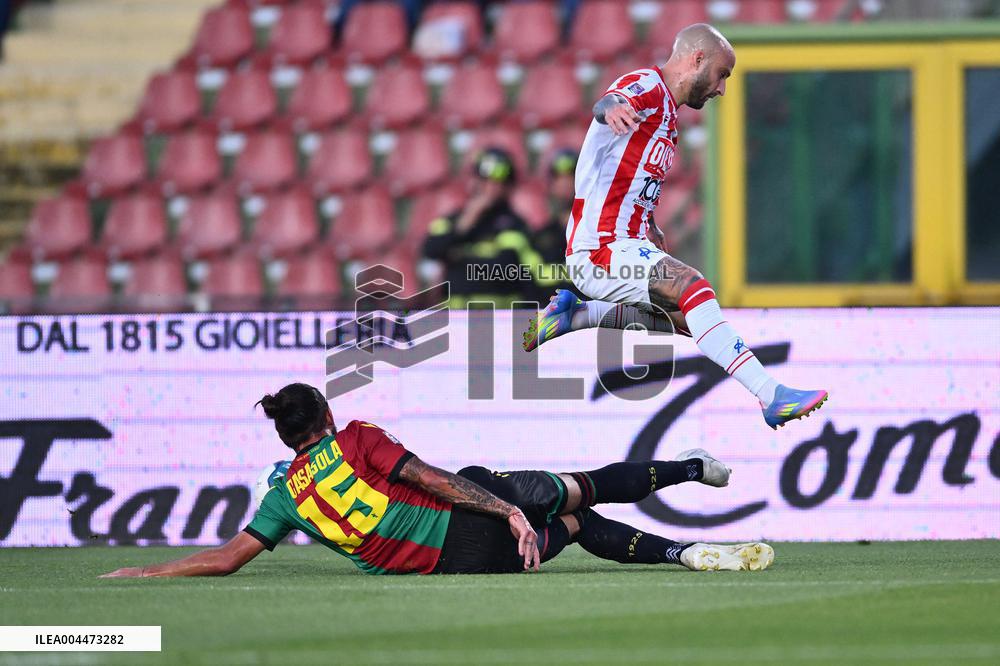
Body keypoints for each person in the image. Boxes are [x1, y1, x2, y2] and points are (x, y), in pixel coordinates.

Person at [100, 383, 774, 578]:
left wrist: (148, 574)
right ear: (327, 418)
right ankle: (688, 470)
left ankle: (684, 550)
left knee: (576, 519)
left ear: (283, 438)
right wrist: (503, 509)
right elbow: (431, 478)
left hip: (455, 560)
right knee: (576, 492)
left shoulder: (283, 497)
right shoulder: (357, 436)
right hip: (469, 507)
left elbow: (224, 560)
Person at [522, 23, 828, 430]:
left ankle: (575, 315)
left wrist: (649, 222)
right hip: (600, 248)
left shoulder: (667, 115)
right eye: (722, 75)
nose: (721, 89)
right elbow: (612, 99)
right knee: (693, 286)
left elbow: (629, 173)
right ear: (697, 59)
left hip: (624, 242)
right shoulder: (648, 85)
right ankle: (772, 396)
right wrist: (610, 106)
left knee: (687, 321)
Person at [422, 147, 558, 308]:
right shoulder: (453, 221)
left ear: (509, 186)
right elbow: (430, 250)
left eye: (499, 181)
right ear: (474, 181)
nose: (491, 187)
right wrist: (464, 225)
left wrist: (462, 262)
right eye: (485, 179)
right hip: (457, 317)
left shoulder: (515, 225)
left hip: (502, 318)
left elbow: (514, 271)